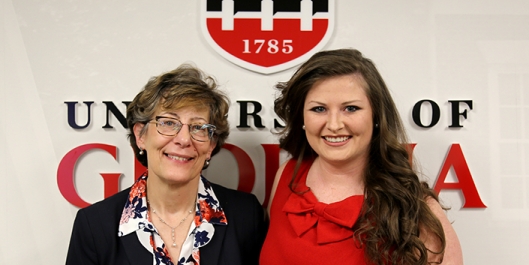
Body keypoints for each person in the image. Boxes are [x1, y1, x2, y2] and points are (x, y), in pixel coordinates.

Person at [260, 48, 463, 265]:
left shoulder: (416, 209)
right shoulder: (286, 176)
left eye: (351, 108)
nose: (334, 125)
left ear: (376, 116)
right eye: (319, 109)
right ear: (302, 116)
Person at [66, 64, 266, 265]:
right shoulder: (94, 225)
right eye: (169, 123)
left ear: (211, 145)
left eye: (198, 127)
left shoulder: (247, 216)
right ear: (140, 135)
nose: (184, 139)